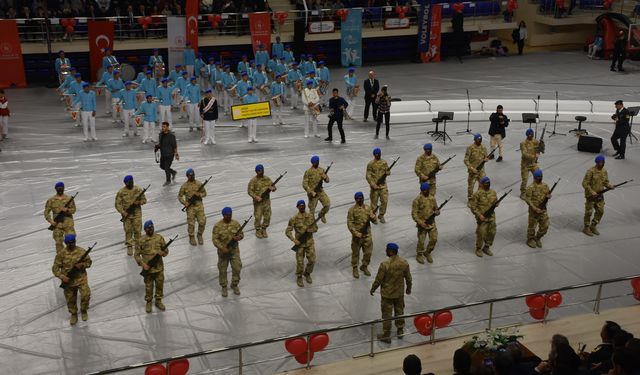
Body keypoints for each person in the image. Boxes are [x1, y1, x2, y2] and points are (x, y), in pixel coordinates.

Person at [370, 242, 412, 344]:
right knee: (399, 311)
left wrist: (373, 289)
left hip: (387, 295)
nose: (386, 251)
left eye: (386, 250)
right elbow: (408, 278)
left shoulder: (385, 264)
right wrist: (408, 288)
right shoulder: (404, 263)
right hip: (399, 293)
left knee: (387, 315)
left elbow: (379, 279)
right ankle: (400, 330)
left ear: (390, 251)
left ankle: (386, 335)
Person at [52, 234, 92, 326]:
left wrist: (82, 265)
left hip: (81, 279)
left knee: (86, 295)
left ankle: (84, 310)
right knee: (70, 299)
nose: (71, 244)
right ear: (65, 243)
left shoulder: (81, 251)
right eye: (68, 243)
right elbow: (55, 268)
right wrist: (62, 277)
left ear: (75, 241)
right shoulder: (61, 254)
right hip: (68, 281)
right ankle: (74, 314)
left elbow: (89, 262)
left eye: (72, 242)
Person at [135, 220, 169, 313]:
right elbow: (136, 255)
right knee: (148, 287)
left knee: (159, 285)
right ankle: (149, 302)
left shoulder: (159, 238)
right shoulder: (141, 240)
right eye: (148, 228)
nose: (150, 229)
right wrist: (143, 264)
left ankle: (158, 301)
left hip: (159, 268)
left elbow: (166, 250)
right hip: (148, 269)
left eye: (152, 227)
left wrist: (164, 253)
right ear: (145, 229)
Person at [212, 207, 245, 297]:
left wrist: (239, 237)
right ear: (223, 215)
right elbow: (215, 240)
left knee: (237, 268)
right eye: (227, 215)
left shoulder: (236, 224)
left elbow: (241, 234)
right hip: (223, 252)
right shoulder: (217, 226)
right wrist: (222, 248)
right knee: (222, 270)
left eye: (230, 215)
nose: (229, 217)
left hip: (234, 251)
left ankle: (234, 285)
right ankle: (224, 286)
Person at [286, 200, 319, 287]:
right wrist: (294, 240)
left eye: (303, 205)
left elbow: (316, 228)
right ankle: (299, 276)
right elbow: (287, 231)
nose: (302, 207)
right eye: (300, 206)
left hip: (309, 243)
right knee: (300, 262)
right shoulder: (294, 219)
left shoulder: (310, 216)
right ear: (297, 207)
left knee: (312, 260)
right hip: (300, 244)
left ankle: (307, 273)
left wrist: (310, 230)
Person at [115, 175, 147, 255]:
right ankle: (129, 246)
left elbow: (144, 200)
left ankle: (138, 246)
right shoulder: (121, 192)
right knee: (128, 231)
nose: (128, 184)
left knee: (137, 230)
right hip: (127, 215)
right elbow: (117, 204)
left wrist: (139, 202)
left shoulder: (138, 189)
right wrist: (123, 212)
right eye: (127, 183)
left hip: (137, 214)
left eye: (130, 182)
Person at [347, 192, 377, 279]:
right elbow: (349, 223)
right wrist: (355, 233)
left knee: (368, 253)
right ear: (355, 200)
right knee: (355, 253)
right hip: (357, 236)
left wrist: (373, 217)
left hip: (367, 235)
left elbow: (374, 222)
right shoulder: (352, 210)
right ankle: (355, 268)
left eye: (361, 198)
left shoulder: (368, 208)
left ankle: (364, 266)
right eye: (358, 199)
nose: (360, 200)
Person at [582, 155, 613, 236]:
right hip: (591, 196)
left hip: (599, 195)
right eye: (599, 162)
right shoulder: (590, 171)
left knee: (600, 211)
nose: (600, 164)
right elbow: (585, 183)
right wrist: (591, 191)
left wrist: (609, 186)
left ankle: (593, 225)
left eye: (602, 162)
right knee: (589, 212)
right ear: (596, 163)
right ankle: (586, 227)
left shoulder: (604, 171)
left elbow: (605, 182)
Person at [469, 176, 497, 257]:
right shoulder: (477, 194)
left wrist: (496, 204)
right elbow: (473, 207)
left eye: (488, 183)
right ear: (481, 184)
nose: (487, 185)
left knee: (492, 232)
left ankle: (487, 247)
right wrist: (479, 215)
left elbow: (495, 201)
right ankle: (478, 248)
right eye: (485, 183)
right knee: (481, 233)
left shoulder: (493, 192)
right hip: (482, 217)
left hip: (491, 216)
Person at [45, 182, 77, 253]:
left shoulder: (69, 198)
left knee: (71, 242)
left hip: (68, 224)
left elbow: (74, 210)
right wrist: (51, 221)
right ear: (55, 189)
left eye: (61, 188)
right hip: (57, 224)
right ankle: (61, 259)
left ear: (64, 188)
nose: (60, 190)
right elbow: (46, 212)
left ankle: (73, 258)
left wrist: (67, 210)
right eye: (58, 188)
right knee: (58, 243)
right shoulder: (51, 200)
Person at [412, 182, 439, 264]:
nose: (425, 192)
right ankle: (419, 254)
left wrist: (437, 211)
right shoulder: (417, 200)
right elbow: (414, 214)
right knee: (421, 241)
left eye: (426, 190)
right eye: (423, 190)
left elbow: (435, 208)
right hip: (422, 225)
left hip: (431, 223)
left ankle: (427, 252)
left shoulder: (432, 198)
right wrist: (420, 222)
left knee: (434, 239)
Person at [178, 168, 207, 246]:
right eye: (190, 175)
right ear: (187, 176)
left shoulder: (199, 183)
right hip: (190, 207)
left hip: (199, 205)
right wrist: (185, 203)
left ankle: (199, 235)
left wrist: (200, 195)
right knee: (191, 223)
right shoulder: (184, 186)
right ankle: (191, 237)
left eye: (193, 175)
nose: (192, 176)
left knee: (202, 221)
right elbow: (180, 196)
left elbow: (205, 193)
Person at [248, 164, 276, 238]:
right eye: (258, 171)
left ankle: (264, 229)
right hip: (258, 203)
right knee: (258, 217)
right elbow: (249, 191)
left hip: (266, 201)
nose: (260, 172)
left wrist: (273, 188)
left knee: (267, 216)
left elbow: (273, 186)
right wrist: (256, 197)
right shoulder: (253, 181)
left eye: (261, 171)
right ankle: (258, 230)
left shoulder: (267, 179)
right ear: (256, 172)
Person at [524, 169, 550, 248]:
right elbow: (527, 199)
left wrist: (548, 196)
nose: (539, 178)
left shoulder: (545, 186)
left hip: (543, 210)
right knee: (532, 227)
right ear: (534, 178)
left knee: (545, 225)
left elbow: (547, 195)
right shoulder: (530, 188)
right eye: (538, 177)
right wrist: (534, 208)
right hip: (534, 211)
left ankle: (537, 237)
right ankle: (530, 239)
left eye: (541, 177)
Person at [303, 155, 331, 222]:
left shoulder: (321, 170)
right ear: (313, 163)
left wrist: (325, 177)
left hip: (320, 191)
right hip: (313, 193)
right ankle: (311, 224)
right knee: (312, 210)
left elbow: (327, 181)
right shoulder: (308, 172)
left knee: (327, 205)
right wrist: (311, 192)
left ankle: (321, 214)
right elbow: (304, 184)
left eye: (317, 162)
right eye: (315, 162)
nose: (317, 163)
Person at [366, 148, 390, 223]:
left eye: (379, 154)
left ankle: (381, 215)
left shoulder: (384, 162)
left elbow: (387, 171)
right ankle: (373, 217)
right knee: (374, 203)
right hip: (375, 186)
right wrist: (372, 184)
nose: (377, 155)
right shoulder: (370, 164)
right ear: (374, 155)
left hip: (383, 186)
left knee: (384, 201)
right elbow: (368, 175)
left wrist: (388, 172)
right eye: (376, 154)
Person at [464, 133, 489, 201]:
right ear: (474, 140)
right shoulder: (470, 148)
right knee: (471, 186)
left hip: (481, 170)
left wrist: (486, 159)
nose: (480, 141)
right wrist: (471, 168)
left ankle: (478, 197)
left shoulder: (483, 147)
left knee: (483, 184)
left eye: (480, 139)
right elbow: (466, 160)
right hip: (473, 170)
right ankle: (470, 199)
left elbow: (486, 157)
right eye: (478, 140)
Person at [520, 128, 540, 198]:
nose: (531, 136)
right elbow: (524, 154)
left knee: (538, 176)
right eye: (529, 135)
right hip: (525, 165)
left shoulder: (535, 141)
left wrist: (541, 147)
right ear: (527, 135)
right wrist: (534, 156)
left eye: (532, 135)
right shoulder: (523, 143)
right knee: (525, 179)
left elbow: (539, 148)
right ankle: (523, 192)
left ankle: (535, 190)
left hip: (533, 164)